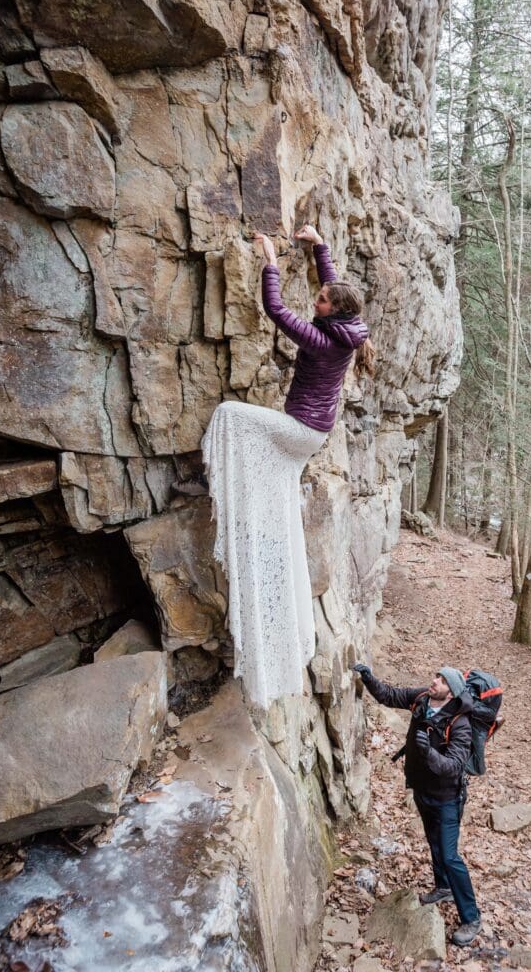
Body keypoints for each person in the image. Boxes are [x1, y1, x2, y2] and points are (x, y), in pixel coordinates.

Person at [201, 225, 372, 710]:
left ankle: (227, 485)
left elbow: (276, 311)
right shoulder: (347, 327)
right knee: (266, 473)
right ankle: (251, 495)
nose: (315, 301)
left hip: (299, 433)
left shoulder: (323, 341)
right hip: (312, 432)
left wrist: (271, 260)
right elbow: (334, 282)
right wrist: (318, 245)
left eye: (319, 300)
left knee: (229, 415)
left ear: (332, 312)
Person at [352, 663, 482, 947]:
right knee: (434, 842)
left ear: (451, 692)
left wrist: (427, 751)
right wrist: (368, 678)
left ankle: (471, 918)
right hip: (423, 791)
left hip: (448, 798)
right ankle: (443, 887)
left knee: (450, 856)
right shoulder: (422, 698)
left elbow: (454, 765)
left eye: (441, 680)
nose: (434, 681)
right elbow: (390, 695)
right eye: (436, 675)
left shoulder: (459, 723)